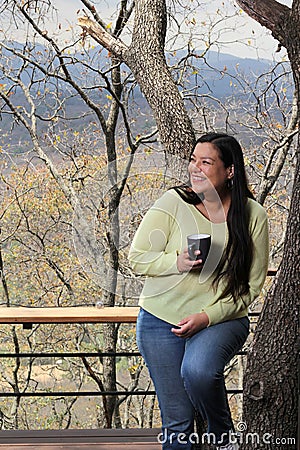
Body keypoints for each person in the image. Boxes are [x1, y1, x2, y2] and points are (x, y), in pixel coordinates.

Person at [128, 133, 269, 450]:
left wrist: (207, 317)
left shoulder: (253, 216)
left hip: (221, 318)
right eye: (193, 160)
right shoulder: (172, 202)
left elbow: (252, 286)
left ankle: (223, 437)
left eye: (206, 162)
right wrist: (176, 262)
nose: (196, 168)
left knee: (199, 371)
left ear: (230, 171)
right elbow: (137, 258)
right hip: (159, 320)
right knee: (177, 424)